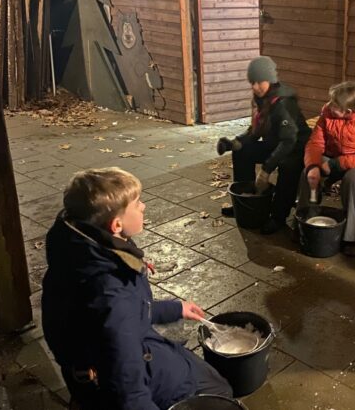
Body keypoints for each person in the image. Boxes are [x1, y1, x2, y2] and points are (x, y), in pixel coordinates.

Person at [42, 167, 232, 409]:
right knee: (221, 391)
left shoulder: (78, 249)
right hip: (132, 368)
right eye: (137, 203)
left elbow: (124, 313)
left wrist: (174, 309)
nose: (143, 206)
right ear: (116, 225)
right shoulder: (111, 293)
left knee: (206, 375)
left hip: (99, 365)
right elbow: (128, 391)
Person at [216, 56, 311, 234]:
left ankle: (278, 216)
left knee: (288, 166)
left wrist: (266, 169)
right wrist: (234, 143)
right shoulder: (261, 99)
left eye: (259, 81)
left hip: (296, 148)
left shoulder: (283, 102)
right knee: (243, 152)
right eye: (252, 82)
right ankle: (245, 201)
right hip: (276, 144)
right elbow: (255, 130)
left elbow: (289, 141)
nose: (255, 86)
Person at [296, 81, 355, 257]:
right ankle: (305, 222)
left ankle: (353, 237)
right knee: (308, 173)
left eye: (334, 104)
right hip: (334, 157)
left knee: (353, 180)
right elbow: (315, 143)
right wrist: (313, 165)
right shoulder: (328, 111)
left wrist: (333, 165)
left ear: (348, 111)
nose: (329, 105)